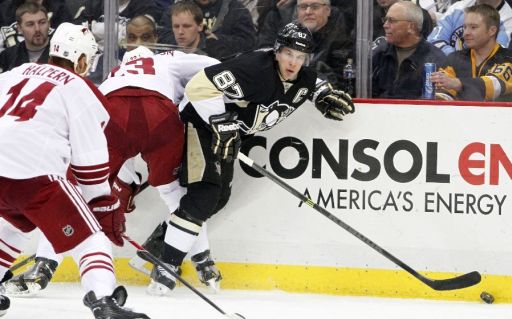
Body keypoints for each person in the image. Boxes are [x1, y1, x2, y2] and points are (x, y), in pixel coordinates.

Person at [147, 21, 354, 295]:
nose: (293, 62)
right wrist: (219, 121)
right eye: (289, 54)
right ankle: (165, 267)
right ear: (277, 51)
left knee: (218, 198)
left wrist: (323, 95)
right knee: (205, 194)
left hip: (228, 133)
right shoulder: (255, 69)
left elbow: (312, 82)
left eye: (300, 57)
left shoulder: (301, 78)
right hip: (199, 122)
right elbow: (198, 86)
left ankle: (159, 244)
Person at [4, 46, 224, 296]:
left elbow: (116, 155)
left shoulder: (113, 74)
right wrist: (191, 108)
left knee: (74, 197)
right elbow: (214, 64)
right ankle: (198, 262)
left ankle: (44, 266)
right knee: (175, 193)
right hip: (161, 115)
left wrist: (112, 196)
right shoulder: (167, 59)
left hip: (115, 113)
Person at [0, 22, 149, 318]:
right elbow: (90, 159)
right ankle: (104, 300)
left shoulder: (13, 73)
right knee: (90, 235)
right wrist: (101, 203)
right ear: (81, 59)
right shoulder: (79, 87)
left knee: (12, 225)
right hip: (35, 174)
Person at [258, 0, 354, 90]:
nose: (308, 12)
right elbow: (264, 61)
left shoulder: (341, 42)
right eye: (303, 7)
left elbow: (342, 84)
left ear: (328, 10)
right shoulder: (284, 33)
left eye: (315, 7)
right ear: (297, 11)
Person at [430, 3, 512, 100]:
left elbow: (494, 85)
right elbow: (444, 94)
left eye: (473, 27)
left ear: (492, 31)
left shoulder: (508, 58)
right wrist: (440, 96)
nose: (466, 33)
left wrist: (458, 83)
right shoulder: (454, 58)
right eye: (465, 27)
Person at [372, 1, 446, 98]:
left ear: (411, 27)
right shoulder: (380, 54)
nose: (385, 25)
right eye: (385, 20)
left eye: (392, 20)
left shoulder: (435, 60)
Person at [158, 0, 256, 60]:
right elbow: (162, 37)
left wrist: (218, 40)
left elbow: (249, 43)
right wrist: (189, 45)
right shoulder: (177, 9)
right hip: (179, 60)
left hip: (222, 63)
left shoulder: (236, 10)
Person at [427, 0, 512, 55]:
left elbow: (495, 57)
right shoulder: (458, 8)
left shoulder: (508, 20)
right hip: (445, 71)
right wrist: (455, 59)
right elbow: (434, 41)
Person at [0, 3, 50, 73]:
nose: (37, 29)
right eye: (30, 24)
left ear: (49, 24)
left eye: (42, 22)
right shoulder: (8, 56)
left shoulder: (62, 53)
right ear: (19, 28)